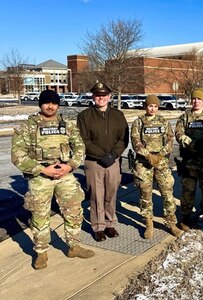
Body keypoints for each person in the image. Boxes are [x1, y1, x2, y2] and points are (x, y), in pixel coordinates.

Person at [11, 89, 95, 270]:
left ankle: (74, 246)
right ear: (40, 104)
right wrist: (42, 169)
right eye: (47, 102)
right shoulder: (28, 127)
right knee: (40, 216)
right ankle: (41, 252)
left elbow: (79, 145)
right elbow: (17, 155)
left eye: (54, 103)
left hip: (65, 175)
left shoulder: (67, 125)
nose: (50, 106)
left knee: (74, 211)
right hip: (40, 178)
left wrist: (71, 165)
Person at [77, 82, 129, 242]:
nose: (101, 98)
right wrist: (101, 155)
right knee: (96, 195)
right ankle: (98, 226)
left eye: (104, 95)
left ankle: (110, 223)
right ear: (93, 97)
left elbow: (123, 138)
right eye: (98, 95)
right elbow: (83, 139)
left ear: (109, 97)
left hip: (113, 161)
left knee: (111, 193)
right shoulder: (85, 116)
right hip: (94, 162)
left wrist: (113, 155)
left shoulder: (118, 115)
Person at [131, 95, 183, 239]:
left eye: (155, 106)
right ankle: (148, 223)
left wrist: (161, 154)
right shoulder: (139, 122)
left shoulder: (163, 122)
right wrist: (148, 155)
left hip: (161, 162)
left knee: (167, 193)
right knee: (145, 194)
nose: (152, 108)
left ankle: (171, 223)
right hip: (144, 162)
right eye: (150, 106)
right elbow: (136, 141)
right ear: (145, 106)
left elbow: (170, 140)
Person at [175, 89, 203, 230]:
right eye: (194, 99)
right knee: (188, 190)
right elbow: (178, 133)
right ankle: (186, 216)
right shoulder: (185, 117)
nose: (196, 101)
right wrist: (189, 142)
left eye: (199, 99)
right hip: (189, 161)